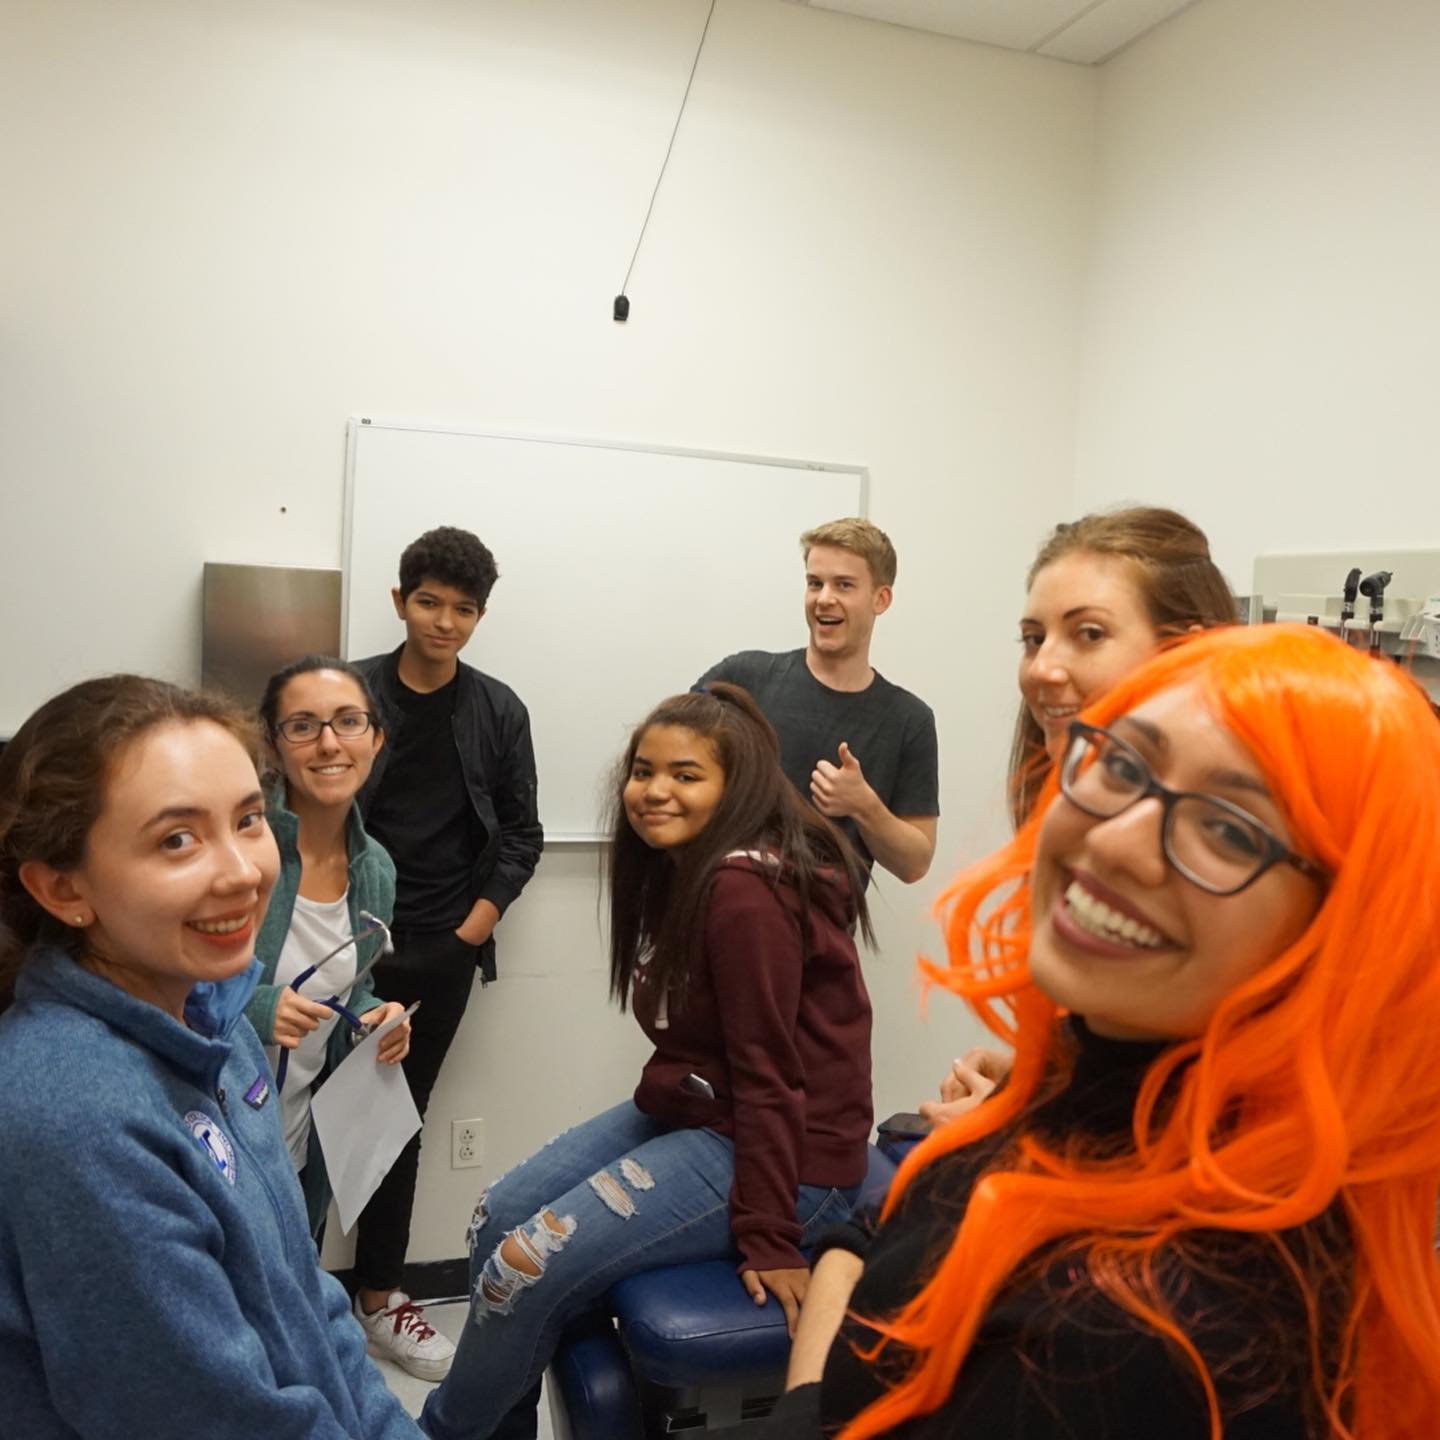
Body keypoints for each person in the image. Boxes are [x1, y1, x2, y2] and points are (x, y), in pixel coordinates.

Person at [773, 624, 1440, 1439]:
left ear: (1341, 928)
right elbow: (888, 1225)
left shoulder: (1142, 1337)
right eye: (1123, 767)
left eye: (1228, 829)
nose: (1116, 841)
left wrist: (802, 1405)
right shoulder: (1097, 1088)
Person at [419, 684, 875, 1440]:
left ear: (738, 785)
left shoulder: (743, 890)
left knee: (518, 1268)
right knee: (494, 1215)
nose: (653, 791)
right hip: (705, 1110)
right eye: (642, 770)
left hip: (792, 1162)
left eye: (686, 775)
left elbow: (770, 1075)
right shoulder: (685, 867)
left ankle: (435, 1433)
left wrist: (771, 1234)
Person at [0, 675, 422, 1439]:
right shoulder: (78, 1115)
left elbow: (307, 1294)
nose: (242, 872)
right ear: (63, 888)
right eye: (177, 839)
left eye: (250, 820)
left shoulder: (215, 1028)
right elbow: (213, 1417)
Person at [921, 506, 1235, 1127]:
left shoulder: (1223, 845)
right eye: (1033, 638)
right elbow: (1131, 1058)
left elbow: (1215, 1099)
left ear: (1185, 648)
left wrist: (1019, 1128)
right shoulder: (1072, 811)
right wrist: (1043, 1077)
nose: (1042, 668)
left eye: (1088, 634)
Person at [349, 525, 544, 1379]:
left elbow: (523, 835)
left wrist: (467, 937)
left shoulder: (498, 709)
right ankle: (287, 1297)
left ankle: (380, 1298)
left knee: (397, 1121)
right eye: (429, 602)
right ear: (400, 602)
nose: (445, 622)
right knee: (286, 1121)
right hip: (340, 946)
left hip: (442, 950)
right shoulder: (348, 694)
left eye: (464, 609)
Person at [246, 655, 412, 1238]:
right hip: (216, 1132)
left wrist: (373, 1015)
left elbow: (351, 982)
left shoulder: (375, 870)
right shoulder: (241, 846)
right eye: (302, 726)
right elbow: (161, 977)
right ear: (274, 744)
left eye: (348, 722)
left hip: (294, 1135)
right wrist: (257, 1007)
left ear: (376, 737)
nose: (327, 743)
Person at [695, 517, 938, 885]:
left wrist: (863, 805)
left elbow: (914, 863)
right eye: (815, 583)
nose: (824, 598)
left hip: (821, 937)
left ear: (881, 598)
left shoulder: (909, 720)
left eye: (844, 584)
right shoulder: (742, 678)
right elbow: (669, 754)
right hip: (720, 918)